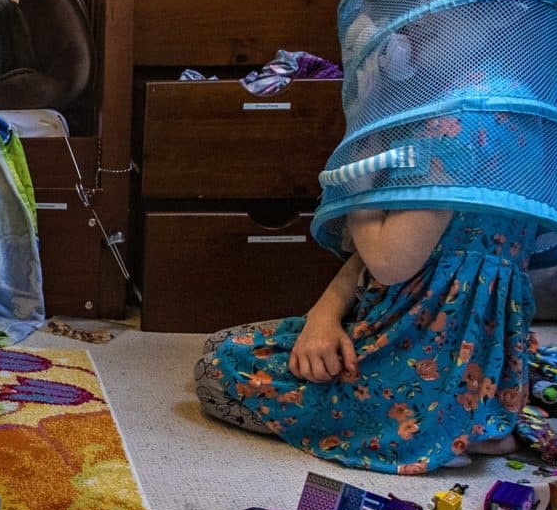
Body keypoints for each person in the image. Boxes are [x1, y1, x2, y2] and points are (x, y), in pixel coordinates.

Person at [195, 203, 537, 474]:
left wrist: (357, 185)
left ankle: (445, 431)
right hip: (406, 321)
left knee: (214, 372)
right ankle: (468, 423)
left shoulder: (446, 145)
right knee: (222, 342)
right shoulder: (496, 149)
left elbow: (387, 263)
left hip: (416, 354)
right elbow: (371, 264)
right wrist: (323, 317)